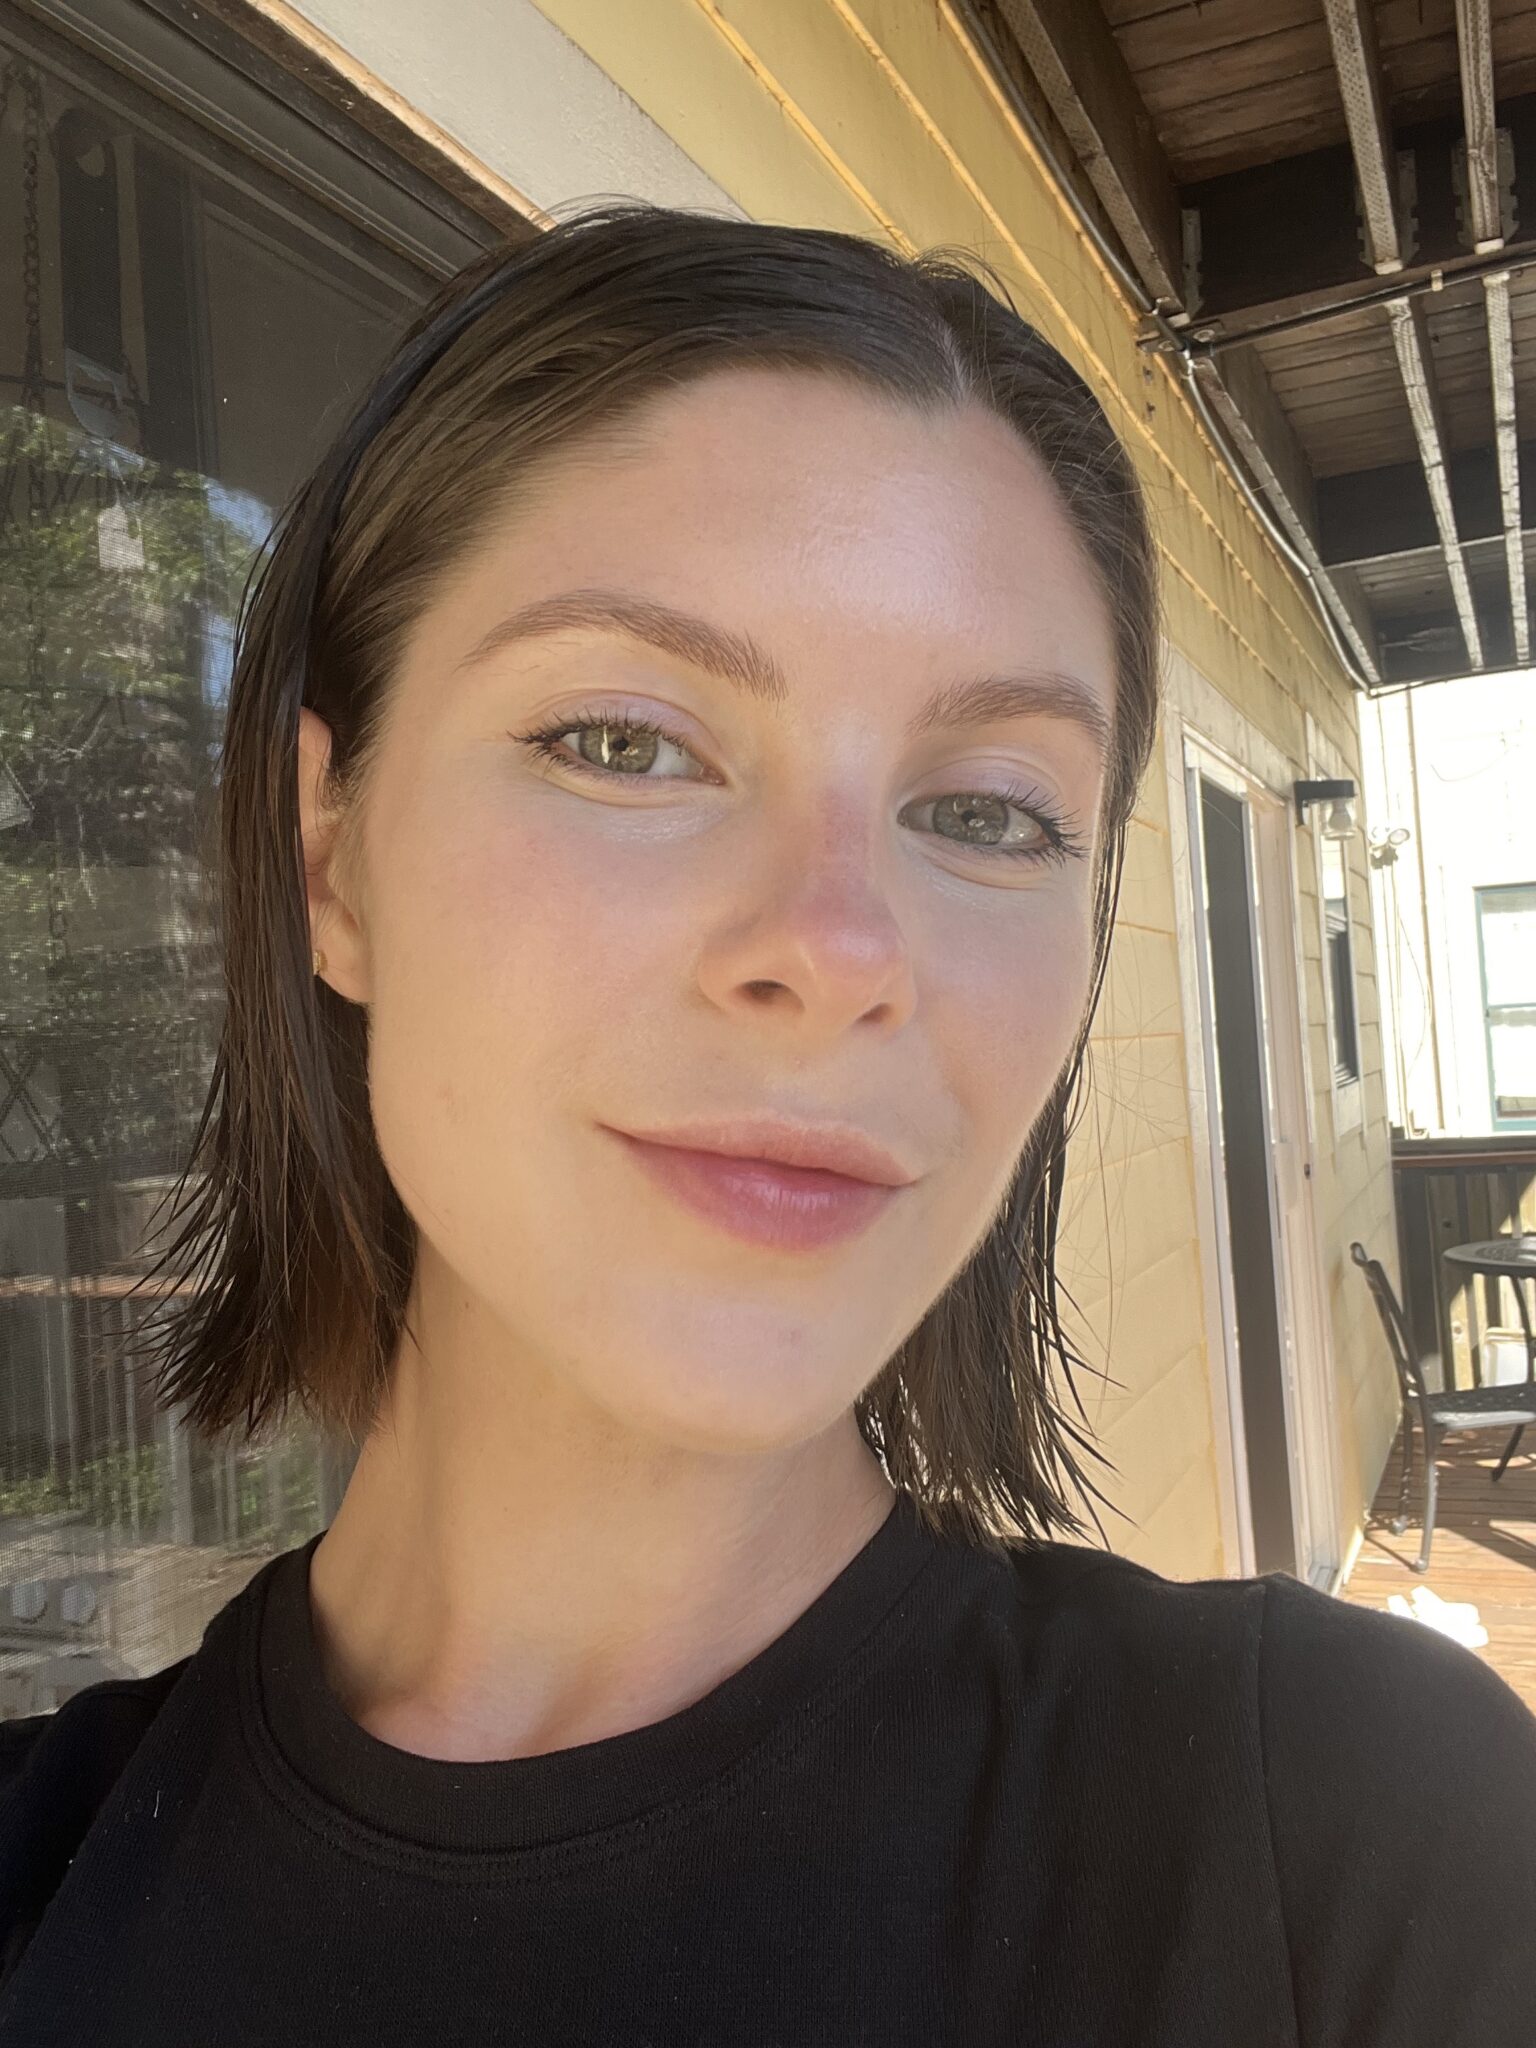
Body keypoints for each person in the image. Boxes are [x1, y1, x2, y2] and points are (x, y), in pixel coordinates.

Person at [1, 199, 1533, 2047]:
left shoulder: (1367, 1845)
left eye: (988, 812)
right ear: (330, 860)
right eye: (626, 741)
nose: (836, 949)